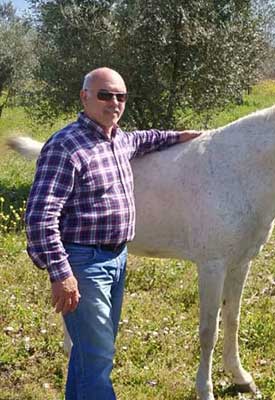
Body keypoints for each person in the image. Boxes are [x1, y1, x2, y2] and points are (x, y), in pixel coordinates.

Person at [24, 67, 202, 399]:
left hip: (117, 258)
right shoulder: (65, 146)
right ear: (84, 97)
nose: (114, 102)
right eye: (105, 95)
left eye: (121, 96)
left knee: (89, 354)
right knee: (99, 357)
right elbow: (39, 217)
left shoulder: (119, 139)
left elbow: (147, 138)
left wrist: (182, 136)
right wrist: (61, 274)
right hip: (83, 263)